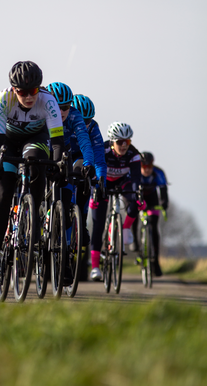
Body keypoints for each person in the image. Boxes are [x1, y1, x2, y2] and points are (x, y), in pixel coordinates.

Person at [0, 61, 65, 283]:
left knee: (36, 161)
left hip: (35, 140)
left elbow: (57, 141)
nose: (29, 97)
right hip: (7, 142)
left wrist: (57, 164)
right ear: (14, 89)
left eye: (33, 91)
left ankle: (35, 215)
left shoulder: (48, 101)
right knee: (2, 194)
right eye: (22, 92)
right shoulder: (4, 99)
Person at [89, 122, 142, 281]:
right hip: (103, 182)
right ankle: (95, 267)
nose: (124, 145)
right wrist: (95, 193)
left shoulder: (134, 155)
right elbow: (93, 172)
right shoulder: (102, 150)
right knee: (98, 224)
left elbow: (136, 180)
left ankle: (124, 228)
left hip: (122, 182)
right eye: (120, 142)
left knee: (138, 201)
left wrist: (137, 194)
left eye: (127, 141)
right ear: (112, 141)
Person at [46, 84, 96, 240]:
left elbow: (84, 141)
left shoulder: (74, 116)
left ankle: (64, 254)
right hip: (44, 150)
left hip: (62, 152)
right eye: (56, 107)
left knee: (66, 210)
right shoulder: (41, 112)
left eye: (65, 107)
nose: (60, 112)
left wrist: (88, 163)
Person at [70, 94, 107, 244]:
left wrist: (100, 180)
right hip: (62, 154)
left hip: (82, 157)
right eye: (82, 120)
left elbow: (99, 155)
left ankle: (81, 220)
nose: (85, 124)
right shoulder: (64, 121)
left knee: (86, 177)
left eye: (88, 120)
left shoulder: (93, 127)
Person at [130, 151, 169, 277]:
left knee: (153, 225)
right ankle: (135, 241)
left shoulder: (158, 172)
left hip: (152, 198)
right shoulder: (134, 172)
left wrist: (164, 203)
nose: (146, 169)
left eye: (149, 166)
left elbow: (163, 189)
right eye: (143, 166)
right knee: (133, 216)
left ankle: (155, 261)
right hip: (138, 197)